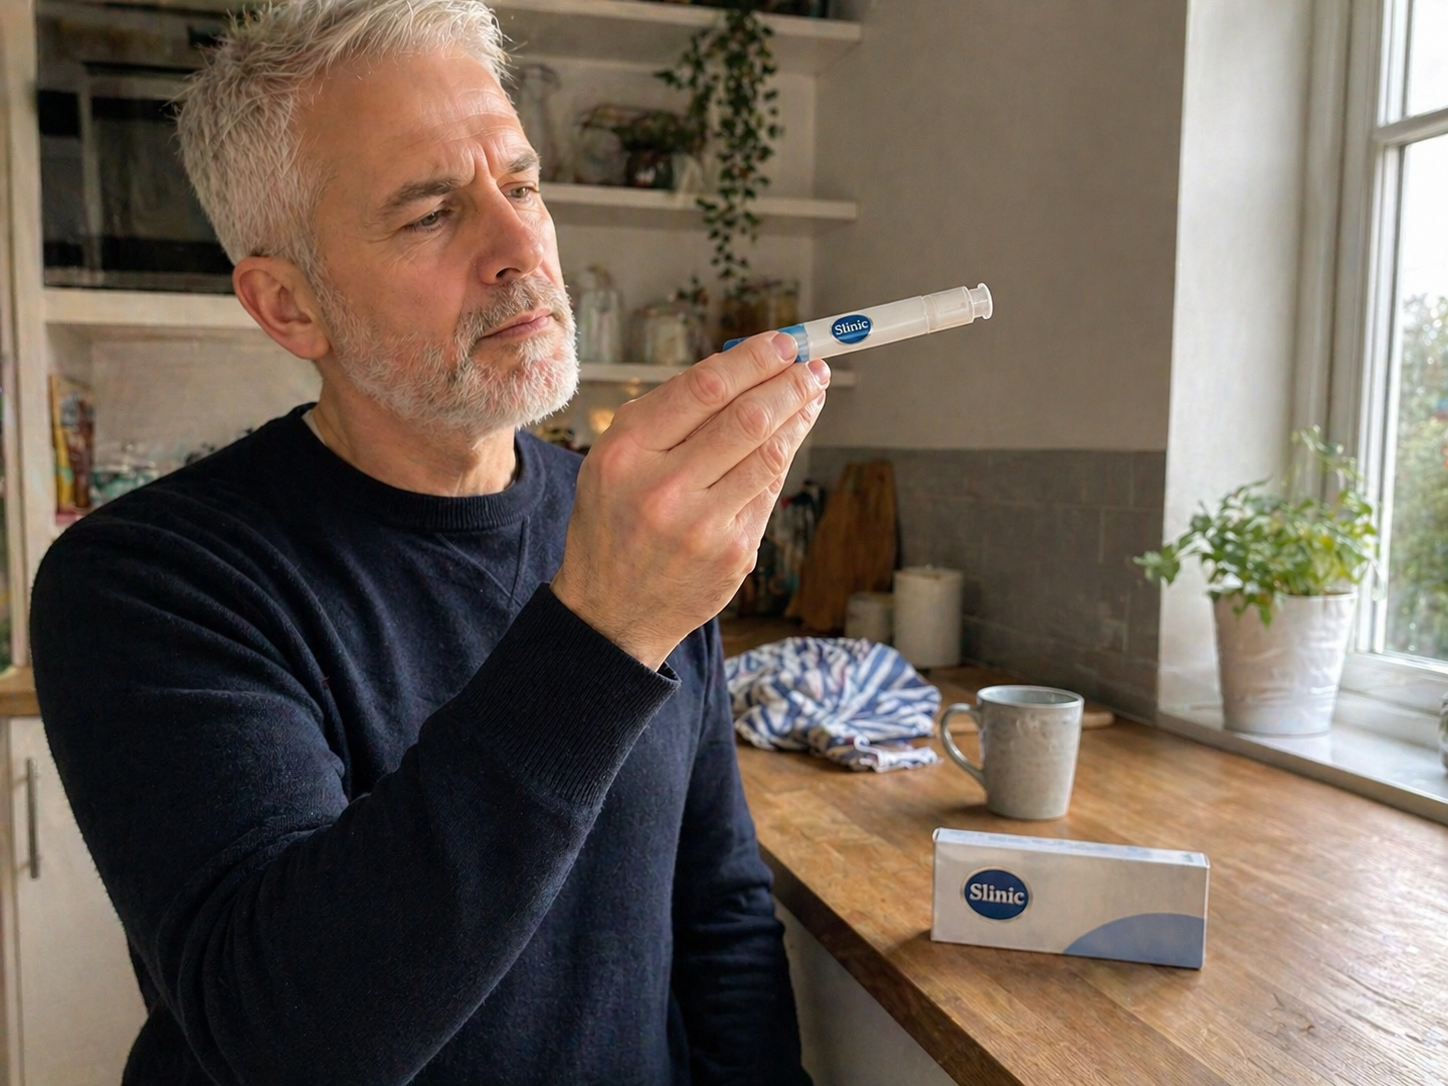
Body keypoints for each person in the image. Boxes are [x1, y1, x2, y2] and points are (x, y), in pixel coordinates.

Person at [29, 2, 828, 1083]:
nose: (520, 248)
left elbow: (717, 906)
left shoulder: (626, 521)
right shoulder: (150, 581)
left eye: (522, 186)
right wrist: (602, 625)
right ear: (288, 306)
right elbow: (287, 1043)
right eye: (431, 214)